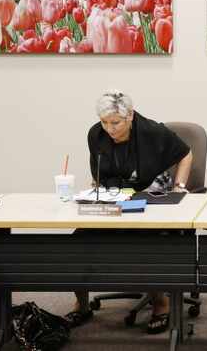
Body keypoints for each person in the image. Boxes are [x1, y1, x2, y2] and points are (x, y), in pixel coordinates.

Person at [66, 90, 193, 334]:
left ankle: (161, 304)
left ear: (130, 116)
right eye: (104, 122)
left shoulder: (152, 132)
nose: (109, 129)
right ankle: (81, 305)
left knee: (142, 243)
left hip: (149, 196)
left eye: (115, 123)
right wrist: (97, 192)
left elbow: (186, 153)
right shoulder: (96, 134)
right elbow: (99, 172)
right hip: (114, 200)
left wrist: (180, 187)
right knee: (77, 241)